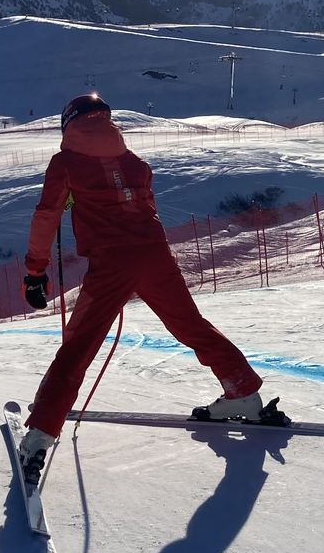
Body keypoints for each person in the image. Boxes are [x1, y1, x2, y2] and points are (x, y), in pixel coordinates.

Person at [16, 93, 283, 486]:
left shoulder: (65, 163)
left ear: (69, 124)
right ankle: (242, 391)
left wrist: (35, 271)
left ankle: (39, 435)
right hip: (155, 254)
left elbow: (46, 215)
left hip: (111, 262)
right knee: (190, 324)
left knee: (79, 346)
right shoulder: (135, 163)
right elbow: (141, 205)